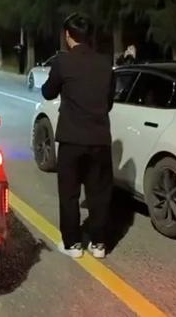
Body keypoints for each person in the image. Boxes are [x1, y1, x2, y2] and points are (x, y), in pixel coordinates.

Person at [41, 13, 114, 259]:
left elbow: (48, 93)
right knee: (99, 194)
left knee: (70, 193)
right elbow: (109, 103)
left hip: (72, 140)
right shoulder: (105, 63)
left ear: (67, 35)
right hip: (99, 139)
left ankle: (72, 244)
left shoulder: (63, 62)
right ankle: (99, 243)